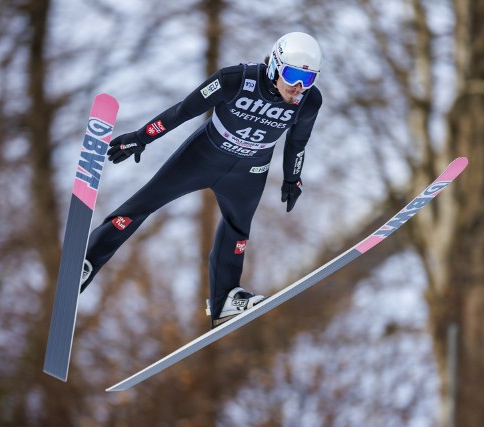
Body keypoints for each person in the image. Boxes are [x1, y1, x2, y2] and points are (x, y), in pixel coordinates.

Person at [81, 32, 323, 328]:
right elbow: (183, 110)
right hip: (204, 157)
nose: (298, 87)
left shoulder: (309, 102)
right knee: (145, 202)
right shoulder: (234, 79)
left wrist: (292, 178)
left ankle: (225, 299)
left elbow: (298, 142)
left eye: (308, 79)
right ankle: (89, 260)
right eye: (293, 75)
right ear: (274, 65)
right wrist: (141, 137)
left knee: (238, 230)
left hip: (250, 171)